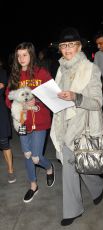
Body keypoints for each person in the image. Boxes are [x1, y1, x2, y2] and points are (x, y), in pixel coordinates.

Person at [50, 27, 103, 226]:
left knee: (74, 164)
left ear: (79, 46)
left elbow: (97, 102)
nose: (67, 49)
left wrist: (76, 97)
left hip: (83, 125)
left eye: (71, 45)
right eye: (63, 46)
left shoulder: (91, 69)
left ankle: (72, 210)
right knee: (77, 165)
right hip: (64, 123)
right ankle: (97, 186)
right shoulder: (60, 69)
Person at [6, 42, 55, 203]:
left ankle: (48, 167)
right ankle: (33, 185)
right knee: (27, 155)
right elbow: (8, 98)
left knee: (36, 156)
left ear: (31, 55)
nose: (21, 58)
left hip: (40, 121)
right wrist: (20, 105)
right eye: (18, 55)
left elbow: (53, 95)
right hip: (22, 122)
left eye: (24, 54)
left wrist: (37, 103)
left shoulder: (42, 73)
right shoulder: (15, 75)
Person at [0, 60, 16, 183]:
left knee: (4, 143)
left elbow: (1, 87)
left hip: (1, 114)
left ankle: (10, 170)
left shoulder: (2, 72)